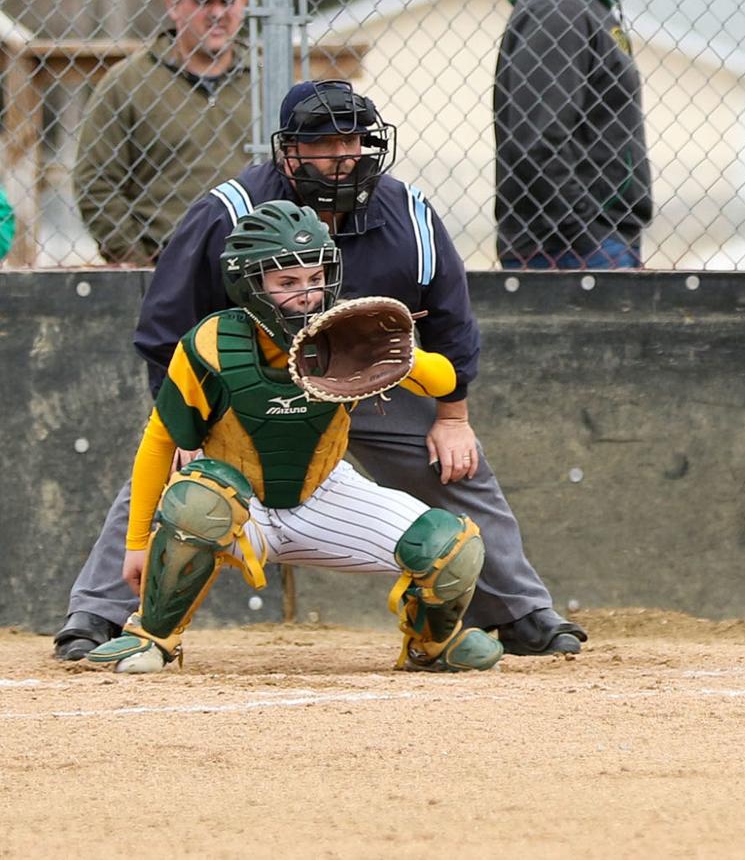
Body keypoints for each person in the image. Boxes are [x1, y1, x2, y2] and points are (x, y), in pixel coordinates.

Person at [54, 80, 586, 661]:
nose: (345, 154)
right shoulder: (228, 211)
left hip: (370, 384)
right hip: (250, 379)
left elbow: (451, 322)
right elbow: (164, 328)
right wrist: (190, 428)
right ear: (289, 152)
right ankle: (98, 614)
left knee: (457, 465)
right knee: (168, 469)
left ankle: (519, 611)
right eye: (326, 142)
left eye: (355, 139)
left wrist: (453, 416)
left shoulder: (408, 214)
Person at [84, 201, 504, 674]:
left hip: (321, 492)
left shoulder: (345, 330)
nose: (306, 294)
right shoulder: (210, 343)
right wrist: (137, 541)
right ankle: (153, 637)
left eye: (315, 277)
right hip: (239, 505)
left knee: (452, 547)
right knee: (196, 498)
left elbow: (445, 381)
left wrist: (400, 357)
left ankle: (433, 644)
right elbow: (160, 443)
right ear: (250, 283)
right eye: (286, 282)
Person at [493, 0, 669, 270]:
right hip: (566, 248)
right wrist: (587, 236)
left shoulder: (584, 6)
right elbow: (538, 138)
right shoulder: (559, 9)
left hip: (587, 240)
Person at [74, 0, 253, 264]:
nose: (217, 13)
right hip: (164, 260)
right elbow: (96, 182)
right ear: (173, 5)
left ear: (245, 3)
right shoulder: (128, 82)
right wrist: (138, 259)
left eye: (227, 1)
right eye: (203, 1)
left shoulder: (266, 81)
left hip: (259, 262)